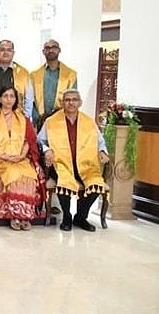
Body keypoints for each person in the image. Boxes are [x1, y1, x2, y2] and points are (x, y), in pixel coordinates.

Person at [37, 89, 109, 232]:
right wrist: (46, 150)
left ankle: (81, 217)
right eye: (67, 100)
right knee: (64, 181)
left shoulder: (89, 122)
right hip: (61, 164)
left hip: (85, 164)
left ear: (80, 103)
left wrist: (102, 151)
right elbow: (39, 141)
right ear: (62, 103)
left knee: (96, 184)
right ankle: (67, 217)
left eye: (74, 100)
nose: (71, 103)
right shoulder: (51, 122)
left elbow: (100, 141)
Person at [0, 86, 43, 230]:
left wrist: (21, 155)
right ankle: (14, 214)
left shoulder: (23, 118)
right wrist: (1, 155)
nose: (9, 99)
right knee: (13, 176)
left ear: (16, 99)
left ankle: (25, 214)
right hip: (0, 158)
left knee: (29, 176)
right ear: (0, 99)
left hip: (20, 158)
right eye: (5, 96)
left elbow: (29, 141)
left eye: (12, 96)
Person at [30, 39, 78, 119]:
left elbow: (72, 100)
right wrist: (36, 120)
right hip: (40, 121)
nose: (51, 50)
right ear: (43, 52)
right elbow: (30, 100)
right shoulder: (34, 75)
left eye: (54, 47)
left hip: (61, 120)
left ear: (59, 50)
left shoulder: (70, 74)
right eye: (47, 48)